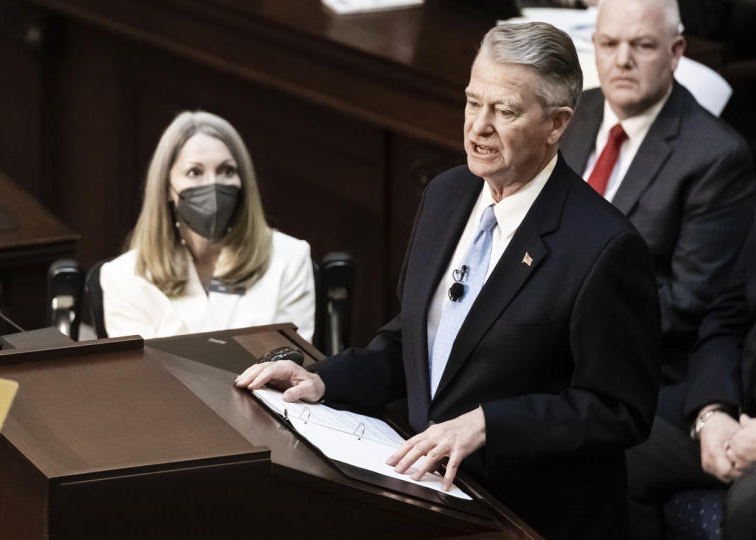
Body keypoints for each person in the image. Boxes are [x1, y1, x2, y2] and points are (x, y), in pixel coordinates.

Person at [236, 22, 660, 539]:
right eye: (472, 103)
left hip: (527, 516)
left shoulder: (604, 248)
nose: (479, 126)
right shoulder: (447, 195)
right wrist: (327, 380)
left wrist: (488, 424)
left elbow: (619, 410)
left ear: (556, 124)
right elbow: (416, 342)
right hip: (423, 495)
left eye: (504, 111)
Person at [560, 0, 756, 384]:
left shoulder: (716, 157)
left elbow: (689, 302)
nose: (622, 60)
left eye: (643, 45)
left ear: (675, 52)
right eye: (609, 44)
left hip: (627, 367)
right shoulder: (572, 114)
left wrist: (562, 321)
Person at [100, 111, 315, 340]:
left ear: (243, 182)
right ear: (166, 188)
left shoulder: (290, 258)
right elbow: (140, 374)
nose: (213, 185)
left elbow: (293, 363)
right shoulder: (123, 278)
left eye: (227, 170)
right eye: (195, 172)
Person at [628, 219, 756, 540]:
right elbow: (728, 315)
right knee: (617, 439)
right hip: (738, 400)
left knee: (748, 508)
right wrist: (712, 411)